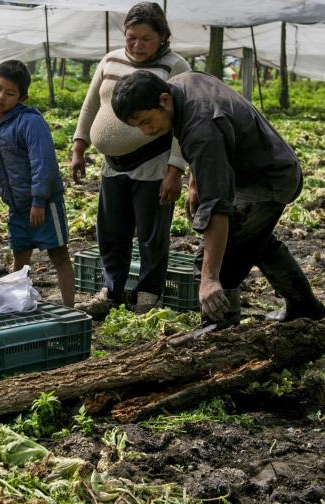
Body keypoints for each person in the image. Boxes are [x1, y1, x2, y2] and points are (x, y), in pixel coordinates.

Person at [110, 70, 325, 325]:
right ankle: (304, 306)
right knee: (254, 241)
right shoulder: (181, 84)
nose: (146, 131)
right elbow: (209, 151)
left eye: (147, 121)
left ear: (164, 100)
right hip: (260, 166)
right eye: (138, 126)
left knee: (219, 261)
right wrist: (196, 181)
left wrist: (210, 278)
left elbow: (216, 206)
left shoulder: (202, 127)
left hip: (266, 180)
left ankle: (221, 332)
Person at [70, 2, 190, 313]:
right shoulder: (110, 60)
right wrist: (79, 146)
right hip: (113, 165)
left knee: (151, 233)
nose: (137, 45)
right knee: (112, 231)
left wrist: (175, 169)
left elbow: (182, 121)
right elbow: (91, 104)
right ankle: (112, 291)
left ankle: (148, 293)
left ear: (162, 37)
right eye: (131, 38)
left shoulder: (175, 67)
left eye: (146, 39)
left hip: (153, 163)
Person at [0, 60, 75, 307]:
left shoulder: (29, 122)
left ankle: (70, 308)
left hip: (44, 203)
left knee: (59, 255)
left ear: (22, 97)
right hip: (16, 205)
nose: (1, 97)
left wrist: (39, 201)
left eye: (10, 93)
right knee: (20, 256)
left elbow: (43, 162)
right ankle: (17, 305)